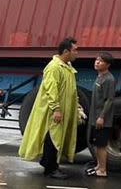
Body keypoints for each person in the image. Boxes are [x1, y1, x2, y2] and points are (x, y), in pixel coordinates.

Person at [18, 37, 82, 178]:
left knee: (54, 137)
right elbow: (51, 90)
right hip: (53, 111)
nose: (77, 53)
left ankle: (49, 163)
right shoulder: (54, 67)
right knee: (54, 137)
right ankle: (51, 168)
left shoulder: (67, 68)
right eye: (75, 50)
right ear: (66, 51)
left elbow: (72, 90)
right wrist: (56, 109)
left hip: (61, 110)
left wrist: (77, 107)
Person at [87, 53, 116, 178]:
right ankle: (98, 166)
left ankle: (103, 170)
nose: (97, 62)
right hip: (95, 117)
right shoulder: (100, 77)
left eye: (101, 61)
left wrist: (102, 117)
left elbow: (110, 100)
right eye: (97, 60)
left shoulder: (109, 79)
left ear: (108, 65)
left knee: (101, 145)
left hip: (102, 119)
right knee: (97, 144)